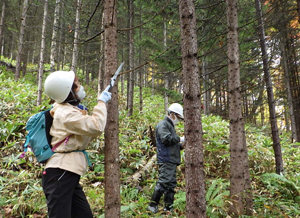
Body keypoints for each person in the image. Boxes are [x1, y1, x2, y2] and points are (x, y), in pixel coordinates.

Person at [42, 70, 111, 218]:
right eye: (77, 85)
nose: (81, 87)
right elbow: (96, 126)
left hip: (67, 173)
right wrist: (101, 103)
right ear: (68, 91)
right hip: (60, 173)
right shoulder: (66, 114)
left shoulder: (68, 110)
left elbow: (84, 132)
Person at [147, 103, 185, 213]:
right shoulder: (163, 124)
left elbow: (172, 144)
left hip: (171, 159)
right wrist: (180, 139)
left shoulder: (170, 126)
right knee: (164, 182)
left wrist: (181, 145)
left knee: (171, 184)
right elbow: (166, 139)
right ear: (172, 114)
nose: (178, 120)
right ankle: (152, 205)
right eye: (178, 117)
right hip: (166, 159)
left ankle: (168, 208)